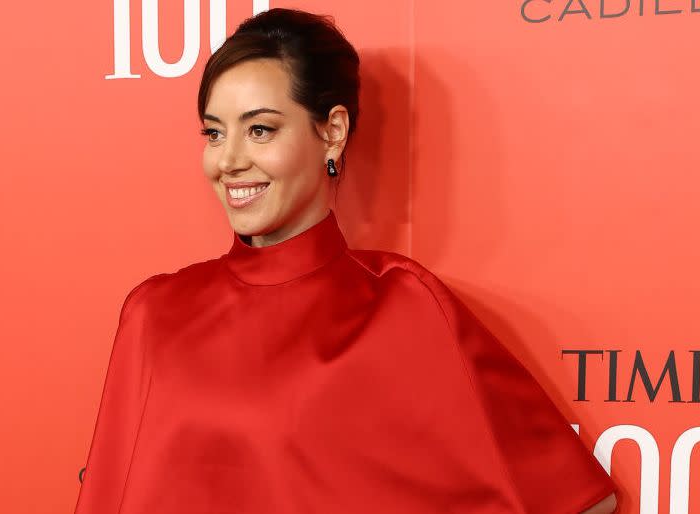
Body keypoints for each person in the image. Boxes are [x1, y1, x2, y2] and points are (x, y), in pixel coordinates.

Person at [74, 7, 618, 514]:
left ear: (331, 131)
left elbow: (581, 500)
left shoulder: (403, 305)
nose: (229, 160)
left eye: (260, 129)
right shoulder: (154, 313)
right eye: (214, 133)